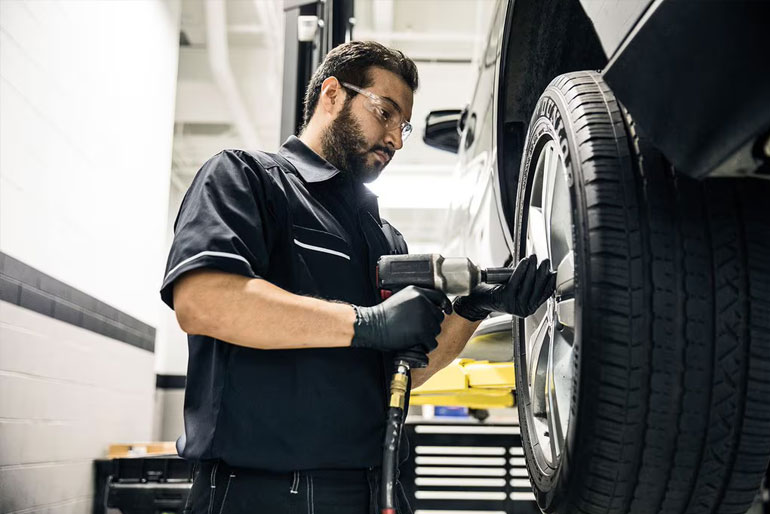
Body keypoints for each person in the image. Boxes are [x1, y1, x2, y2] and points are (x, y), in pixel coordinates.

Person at [160, 41, 555, 514]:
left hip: (376, 489)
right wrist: (366, 323)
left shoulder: (386, 238)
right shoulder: (247, 178)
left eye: (403, 125)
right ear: (331, 95)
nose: (397, 139)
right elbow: (203, 301)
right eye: (384, 112)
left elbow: (405, 371)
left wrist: (474, 308)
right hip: (260, 493)